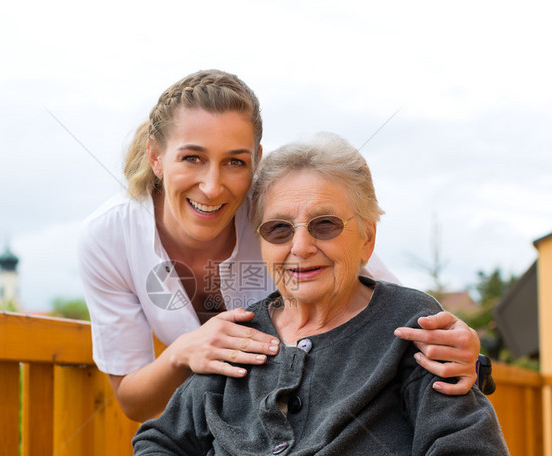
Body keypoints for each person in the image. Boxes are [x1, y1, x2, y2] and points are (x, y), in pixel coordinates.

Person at [103, 134, 518, 456]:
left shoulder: (413, 328)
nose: (300, 247)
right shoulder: (236, 334)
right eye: (279, 229)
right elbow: (159, 445)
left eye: (325, 225)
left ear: (367, 239)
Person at [78, 69, 481, 422]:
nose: (213, 186)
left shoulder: (280, 211)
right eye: (192, 158)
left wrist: (463, 347)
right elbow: (133, 401)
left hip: (310, 426)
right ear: (155, 156)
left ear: (256, 160)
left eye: (235, 162)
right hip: (226, 436)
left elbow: (387, 303)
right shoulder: (110, 237)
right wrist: (182, 352)